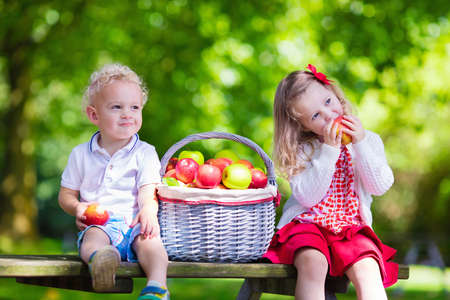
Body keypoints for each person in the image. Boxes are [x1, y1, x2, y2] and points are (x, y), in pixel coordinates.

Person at [263, 64, 398, 300]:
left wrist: (361, 144)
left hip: (351, 228)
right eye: (316, 116)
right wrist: (329, 150)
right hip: (308, 225)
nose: (329, 115)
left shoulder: (368, 140)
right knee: (313, 263)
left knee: (369, 269)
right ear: (302, 125)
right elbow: (308, 196)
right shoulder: (303, 150)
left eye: (327, 102)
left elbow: (381, 185)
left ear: (334, 94)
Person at [58, 63, 170, 300]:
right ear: (94, 115)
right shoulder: (81, 154)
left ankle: (157, 287)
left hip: (134, 223)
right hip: (101, 222)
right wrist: (77, 207)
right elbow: (66, 195)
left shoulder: (144, 152)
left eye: (134, 107)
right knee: (93, 238)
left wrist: (149, 211)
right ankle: (101, 260)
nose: (127, 114)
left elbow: (147, 189)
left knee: (151, 243)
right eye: (117, 107)